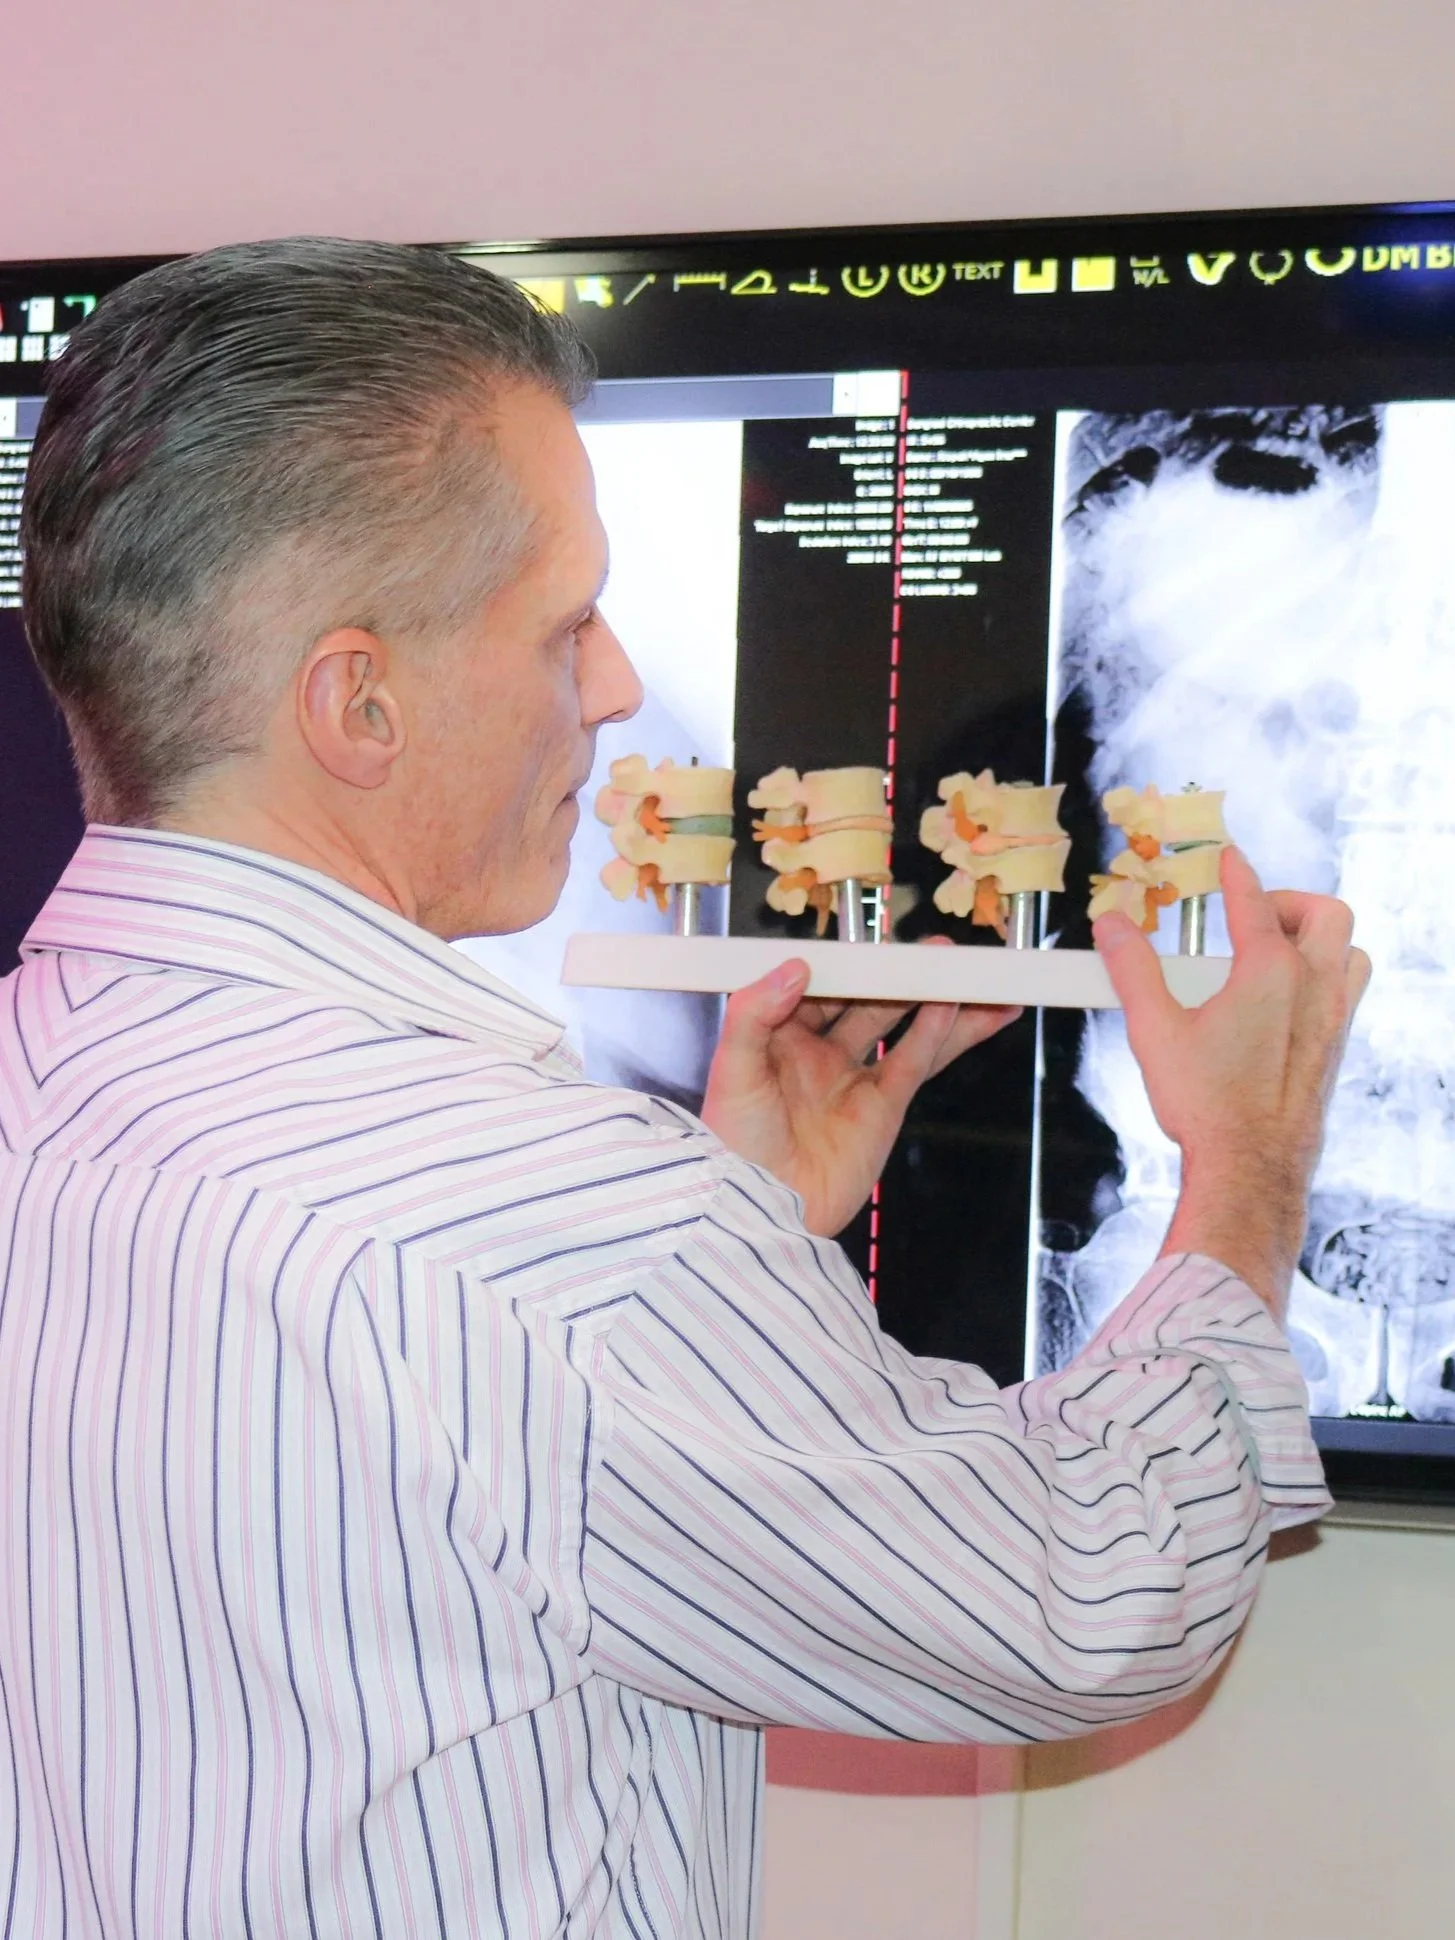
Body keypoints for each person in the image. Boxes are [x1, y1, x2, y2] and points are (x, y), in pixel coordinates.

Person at [1, 239, 1367, 1940]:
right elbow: (1089, 1600)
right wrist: (1245, 1162)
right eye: (565, 621)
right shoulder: (563, 1236)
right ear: (357, 701)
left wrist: (740, 1242)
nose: (617, 685)